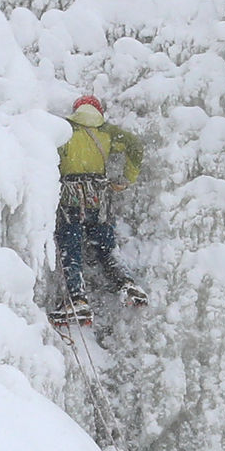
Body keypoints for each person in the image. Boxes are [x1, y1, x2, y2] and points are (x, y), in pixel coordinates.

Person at [54, 94, 146, 321]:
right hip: (98, 199)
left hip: (70, 199)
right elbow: (135, 146)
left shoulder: (65, 130)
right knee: (106, 247)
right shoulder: (106, 131)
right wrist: (126, 179)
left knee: (71, 247)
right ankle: (127, 284)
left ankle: (77, 300)